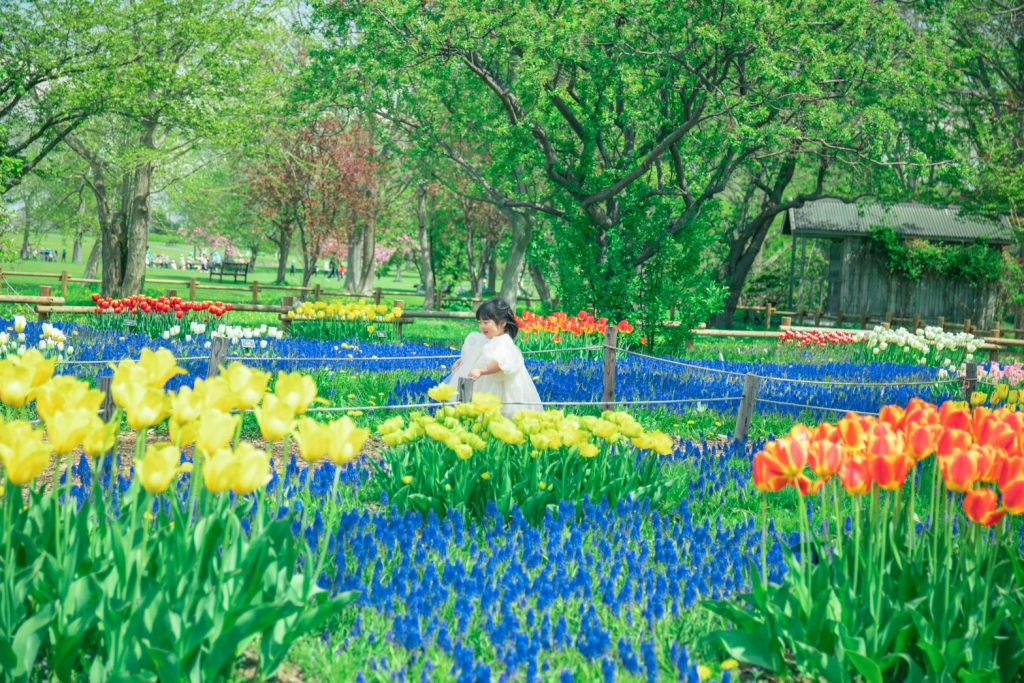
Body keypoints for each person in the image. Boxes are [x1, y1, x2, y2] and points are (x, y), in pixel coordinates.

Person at [444, 297, 541, 417]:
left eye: (486, 322)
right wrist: (463, 361)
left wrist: (481, 370)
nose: (482, 326)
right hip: (476, 379)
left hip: (497, 385)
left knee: (495, 412)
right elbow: (475, 354)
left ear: (502, 323)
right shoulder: (481, 339)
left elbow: (500, 364)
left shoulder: (504, 343)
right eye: (480, 323)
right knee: (467, 407)